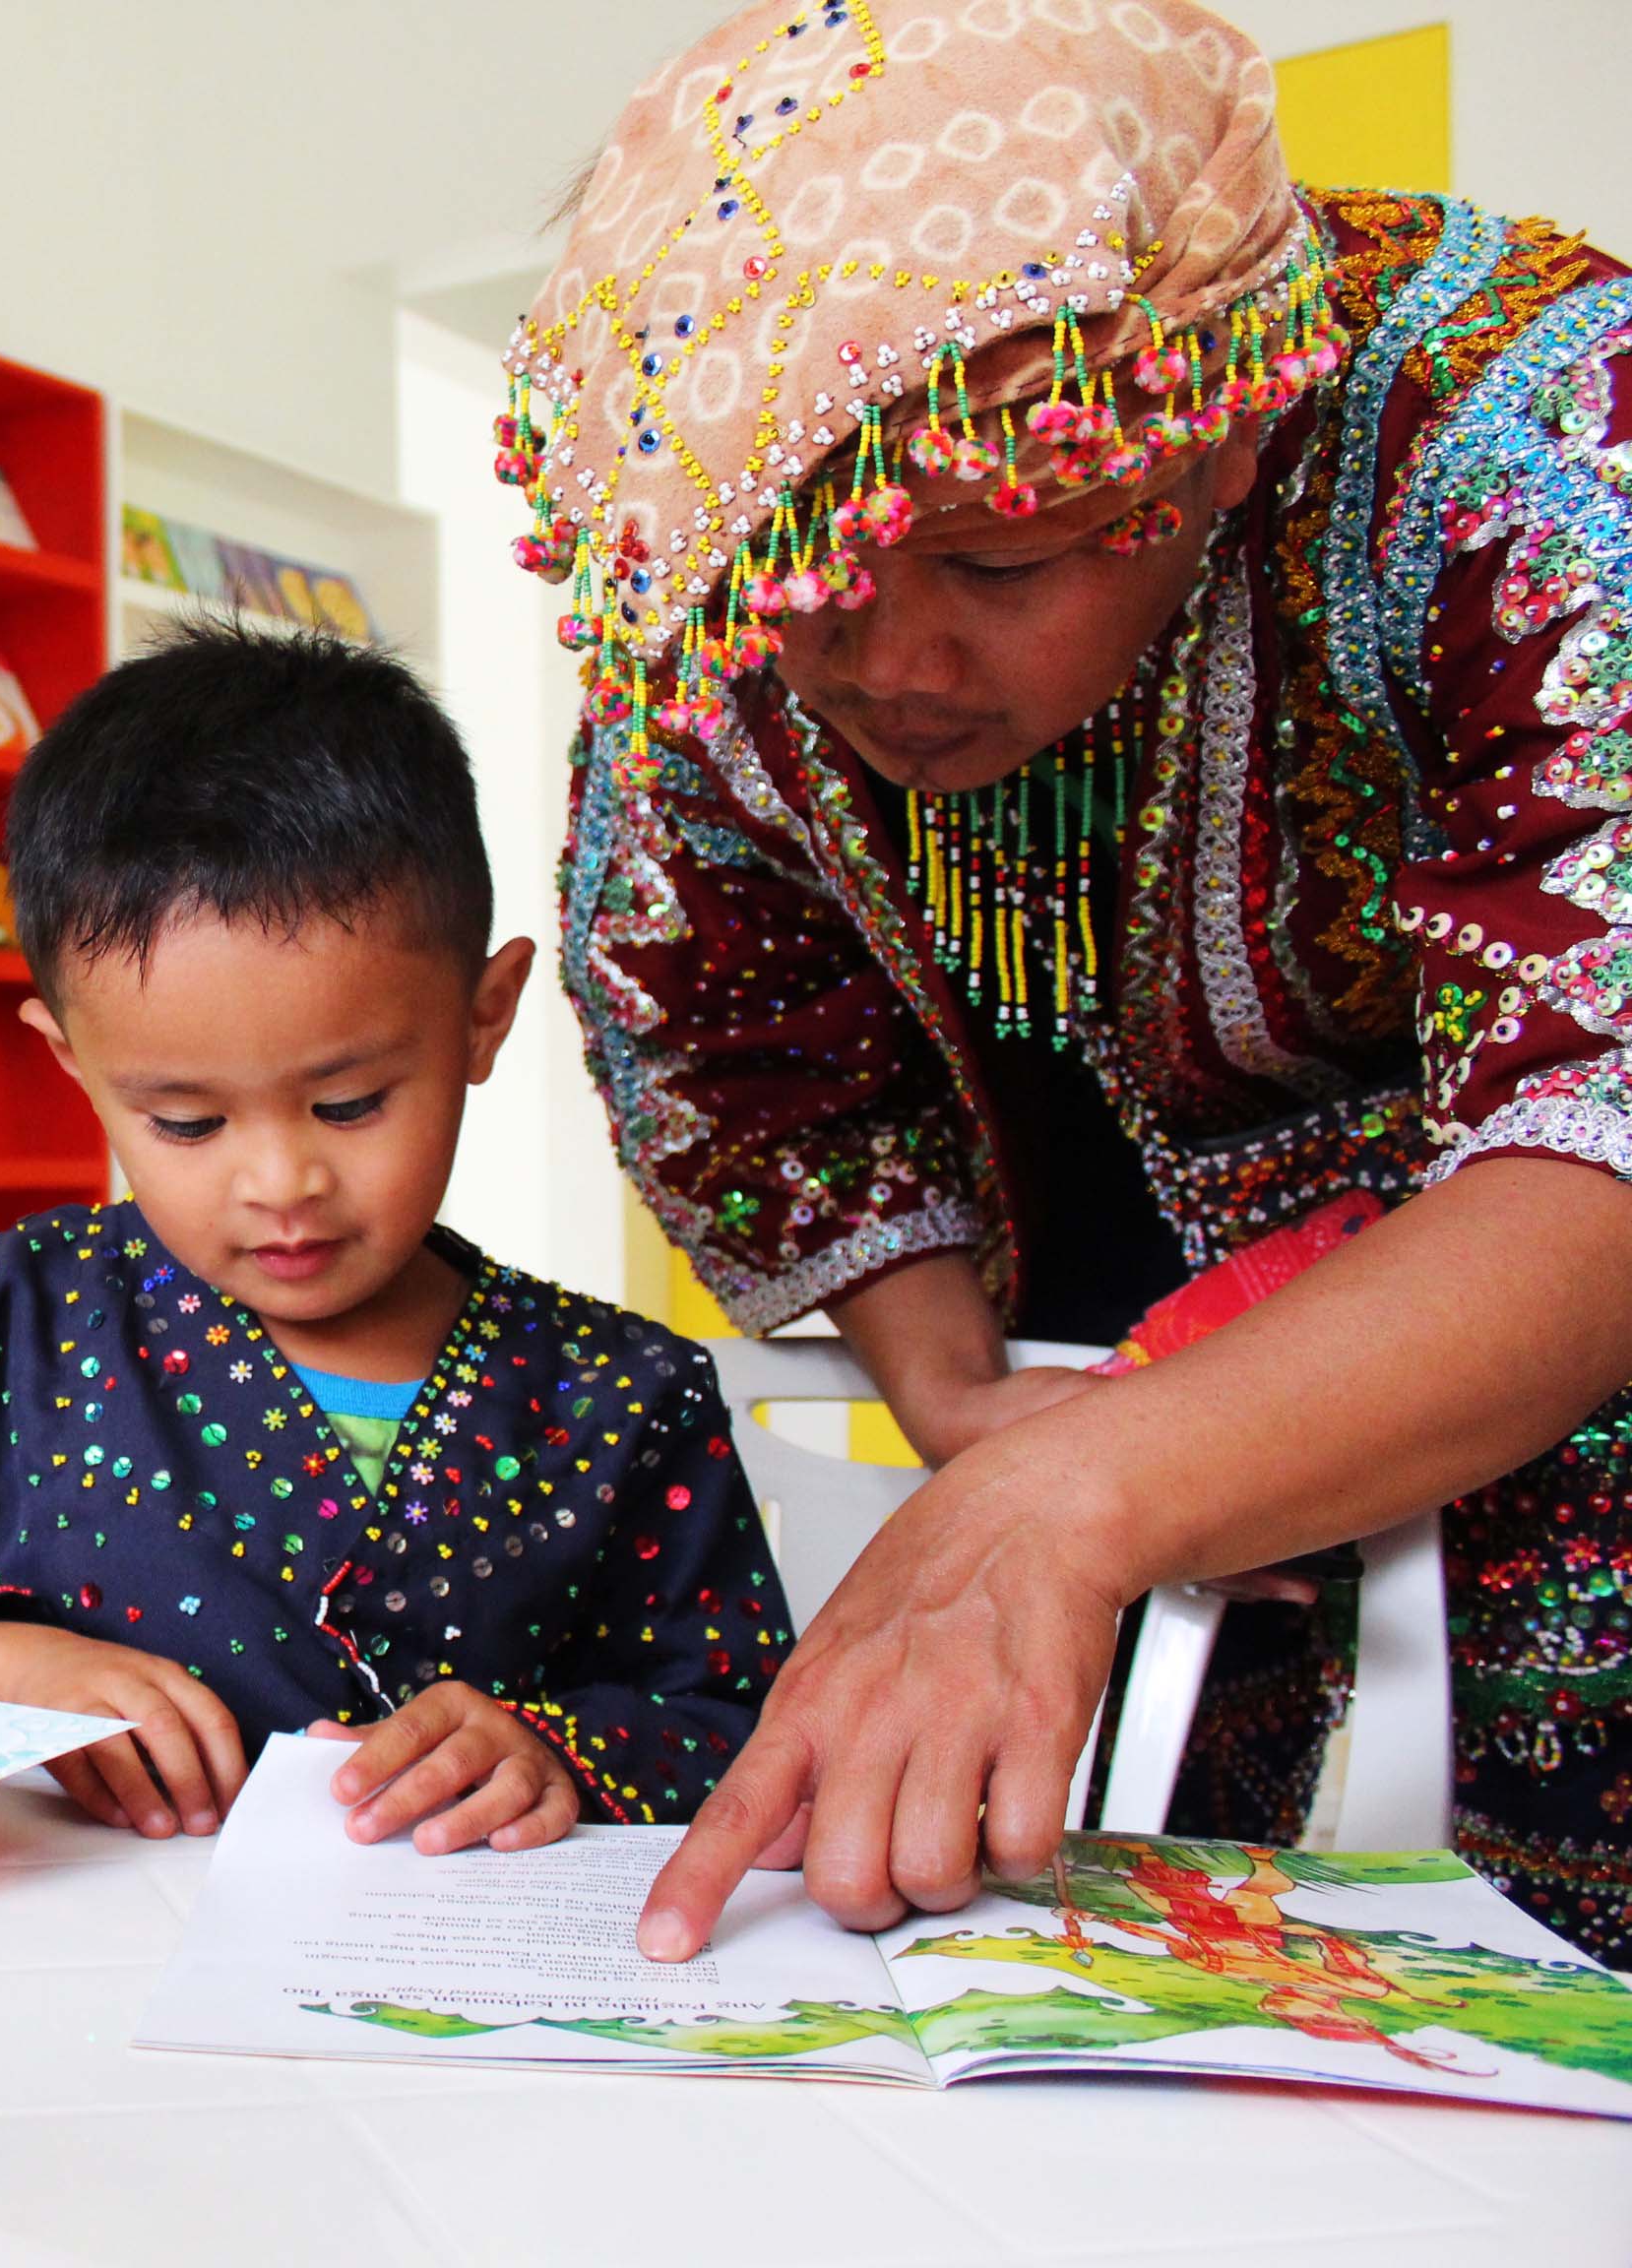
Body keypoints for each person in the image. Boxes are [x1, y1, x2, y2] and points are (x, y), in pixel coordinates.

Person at [496, 0, 1632, 1963]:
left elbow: (1605, 1110)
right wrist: (957, 1399)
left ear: (1226, 433)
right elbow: (731, 1049)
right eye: (805, 577)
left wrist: (1071, 1498)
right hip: (1127, 1467)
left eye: (1003, 566)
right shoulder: (724, 560)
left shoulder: (1527, 439)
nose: (880, 665)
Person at [0, 628, 790, 1848]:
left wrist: (554, 1755)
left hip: (456, 1998)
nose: (281, 1182)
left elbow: (737, 1719)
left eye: (351, 1104)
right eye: (187, 1121)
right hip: (52, 1989)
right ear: (77, 1067)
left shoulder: (623, 1399)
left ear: (484, 1018)